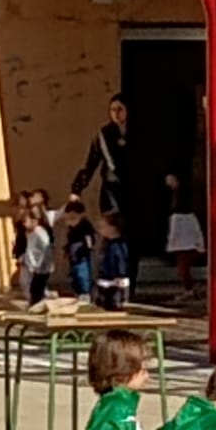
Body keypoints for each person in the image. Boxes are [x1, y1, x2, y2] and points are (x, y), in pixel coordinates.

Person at [71, 95, 152, 290]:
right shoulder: (104, 135)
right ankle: (110, 279)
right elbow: (91, 163)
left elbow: (149, 159)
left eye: (120, 109)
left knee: (132, 238)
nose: (116, 114)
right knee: (112, 233)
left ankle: (129, 282)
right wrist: (77, 189)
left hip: (134, 191)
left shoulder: (140, 133)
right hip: (111, 191)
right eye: (113, 110)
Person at [164, 173, 204, 300]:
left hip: (184, 230)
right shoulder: (177, 201)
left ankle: (189, 289)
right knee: (182, 266)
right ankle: (189, 288)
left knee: (183, 266)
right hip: (183, 229)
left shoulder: (182, 207)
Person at [93, 212, 130, 310]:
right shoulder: (107, 244)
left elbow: (121, 261)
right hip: (105, 279)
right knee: (102, 304)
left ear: (112, 228)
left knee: (114, 305)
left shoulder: (119, 245)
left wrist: (120, 275)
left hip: (116, 282)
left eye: (103, 227)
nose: (100, 230)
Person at [61, 197, 96, 303]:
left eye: (73, 218)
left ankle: (85, 293)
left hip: (82, 257)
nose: (70, 222)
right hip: (74, 257)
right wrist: (67, 250)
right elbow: (70, 242)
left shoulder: (85, 226)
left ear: (81, 215)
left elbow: (90, 238)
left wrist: (89, 245)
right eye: (67, 219)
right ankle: (78, 292)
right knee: (75, 275)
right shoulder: (71, 229)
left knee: (82, 275)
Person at [19, 205, 54, 306]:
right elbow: (30, 248)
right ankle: (35, 302)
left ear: (34, 221)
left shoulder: (40, 233)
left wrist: (43, 263)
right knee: (26, 283)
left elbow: (47, 247)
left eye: (25, 221)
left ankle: (39, 302)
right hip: (31, 264)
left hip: (40, 266)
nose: (24, 225)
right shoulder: (29, 233)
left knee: (36, 288)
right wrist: (24, 257)